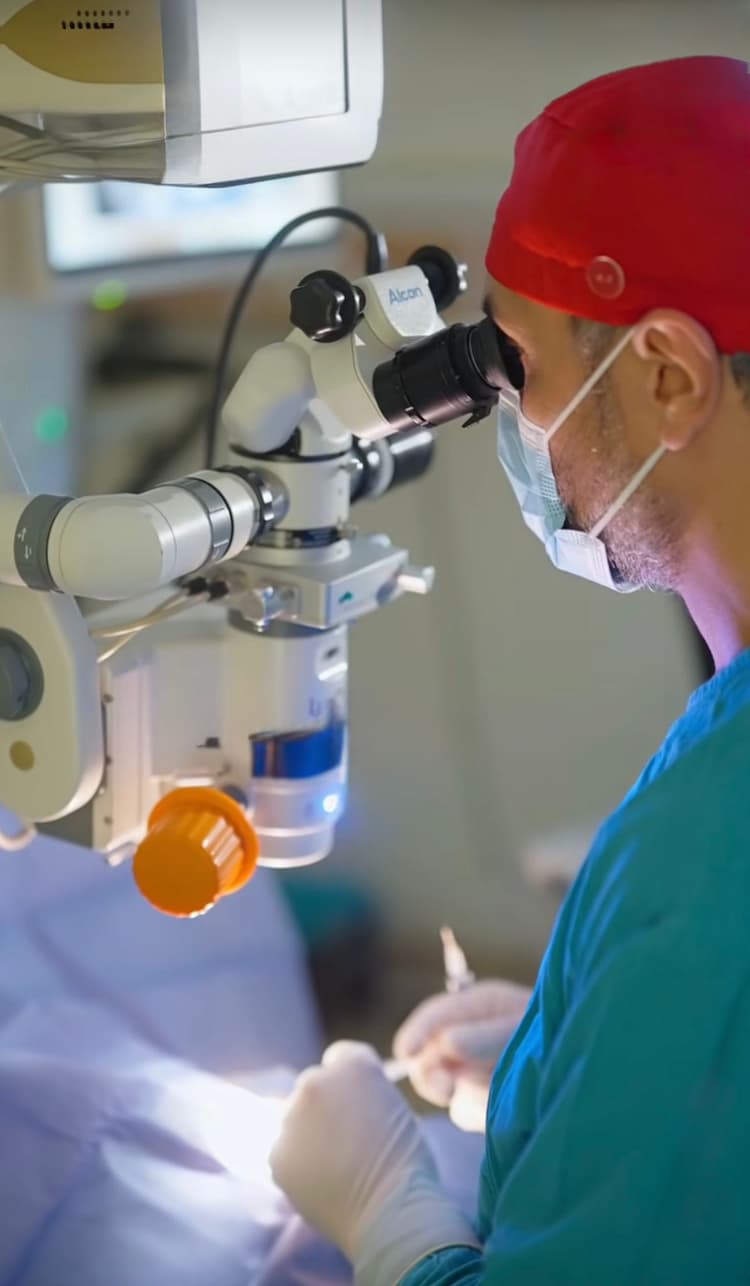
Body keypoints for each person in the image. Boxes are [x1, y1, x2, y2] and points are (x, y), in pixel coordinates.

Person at [270, 55, 750, 1285]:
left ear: (666, 377)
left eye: (520, 371)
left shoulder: (712, 849)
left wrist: (388, 1216)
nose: (519, 430)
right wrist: (573, 1056)